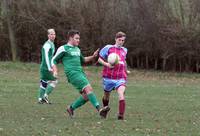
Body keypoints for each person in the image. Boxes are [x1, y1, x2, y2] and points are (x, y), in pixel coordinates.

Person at [51, 29, 110, 118]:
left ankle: (71, 108)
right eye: (76, 38)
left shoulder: (77, 49)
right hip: (72, 73)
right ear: (70, 38)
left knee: (86, 96)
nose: (78, 40)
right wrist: (55, 70)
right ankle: (100, 110)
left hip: (80, 73)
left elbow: (83, 60)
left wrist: (93, 56)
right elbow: (53, 60)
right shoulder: (63, 48)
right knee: (89, 89)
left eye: (79, 38)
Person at [98, 31, 128, 120]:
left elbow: (124, 61)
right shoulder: (108, 48)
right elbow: (99, 59)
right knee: (106, 96)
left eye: (123, 40)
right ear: (115, 39)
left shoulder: (124, 50)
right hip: (108, 77)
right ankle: (105, 109)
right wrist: (107, 64)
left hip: (120, 77)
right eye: (120, 40)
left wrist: (126, 70)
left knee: (121, 93)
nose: (121, 42)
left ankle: (121, 115)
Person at [38, 28, 58, 104]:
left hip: (45, 66)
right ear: (48, 35)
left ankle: (40, 99)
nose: (53, 35)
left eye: (54, 34)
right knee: (55, 80)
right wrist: (49, 67)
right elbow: (46, 56)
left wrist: (52, 65)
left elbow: (51, 57)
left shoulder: (52, 44)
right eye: (51, 34)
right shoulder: (47, 44)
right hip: (46, 67)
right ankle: (45, 96)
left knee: (44, 82)